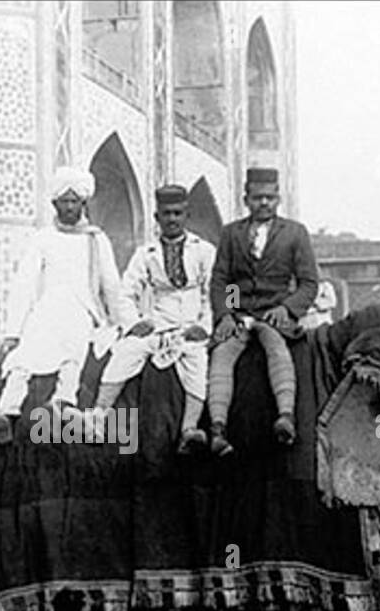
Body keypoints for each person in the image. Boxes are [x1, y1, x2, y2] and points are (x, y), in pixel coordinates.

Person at [0, 167, 125, 444]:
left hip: (83, 308)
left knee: (73, 348)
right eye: (65, 201)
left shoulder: (96, 239)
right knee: (24, 354)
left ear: (83, 204)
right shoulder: (43, 239)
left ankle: (63, 400)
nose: (70, 207)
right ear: (55, 204)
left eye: (75, 201)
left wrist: (120, 322)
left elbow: (110, 284)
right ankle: (6, 410)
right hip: (48, 307)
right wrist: (13, 331)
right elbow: (25, 283)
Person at [89, 184, 216, 454]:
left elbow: (220, 292)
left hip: (191, 325)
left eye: (178, 213)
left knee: (197, 362)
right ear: (157, 217)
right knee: (126, 351)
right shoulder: (145, 253)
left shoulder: (204, 251)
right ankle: (99, 416)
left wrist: (205, 327)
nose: (172, 219)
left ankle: (189, 429)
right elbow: (125, 293)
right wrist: (135, 323)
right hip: (157, 325)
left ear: (186, 215)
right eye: (166, 214)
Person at [206, 166, 320, 456]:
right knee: (221, 356)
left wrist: (287, 308)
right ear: (246, 199)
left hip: (274, 316)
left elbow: (308, 283)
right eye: (258, 198)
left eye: (270, 197)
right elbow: (222, 280)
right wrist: (227, 314)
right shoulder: (231, 233)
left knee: (278, 350)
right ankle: (217, 429)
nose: (264, 203)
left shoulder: (295, 233)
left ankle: (286, 417)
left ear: (278, 198)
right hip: (241, 316)